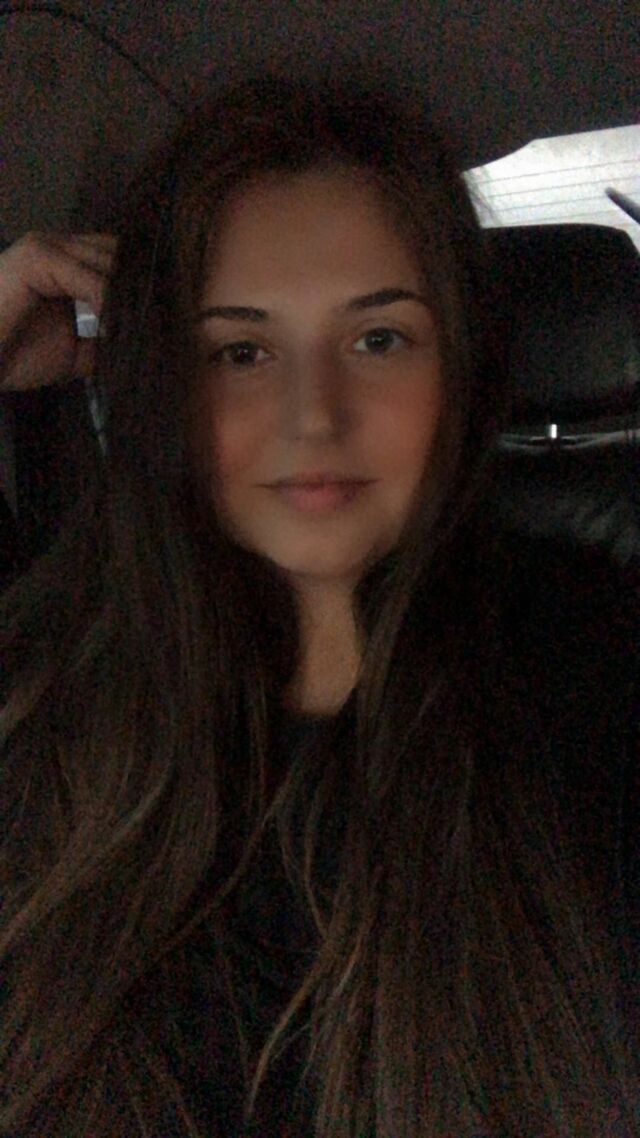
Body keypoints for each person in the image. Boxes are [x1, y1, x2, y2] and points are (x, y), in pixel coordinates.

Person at [0, 71, 637, 1138]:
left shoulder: (599, 669)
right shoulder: (47, 683)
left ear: (460, 362)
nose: (313, 417)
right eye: (241, 352)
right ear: (164, 381)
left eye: (377, 339)